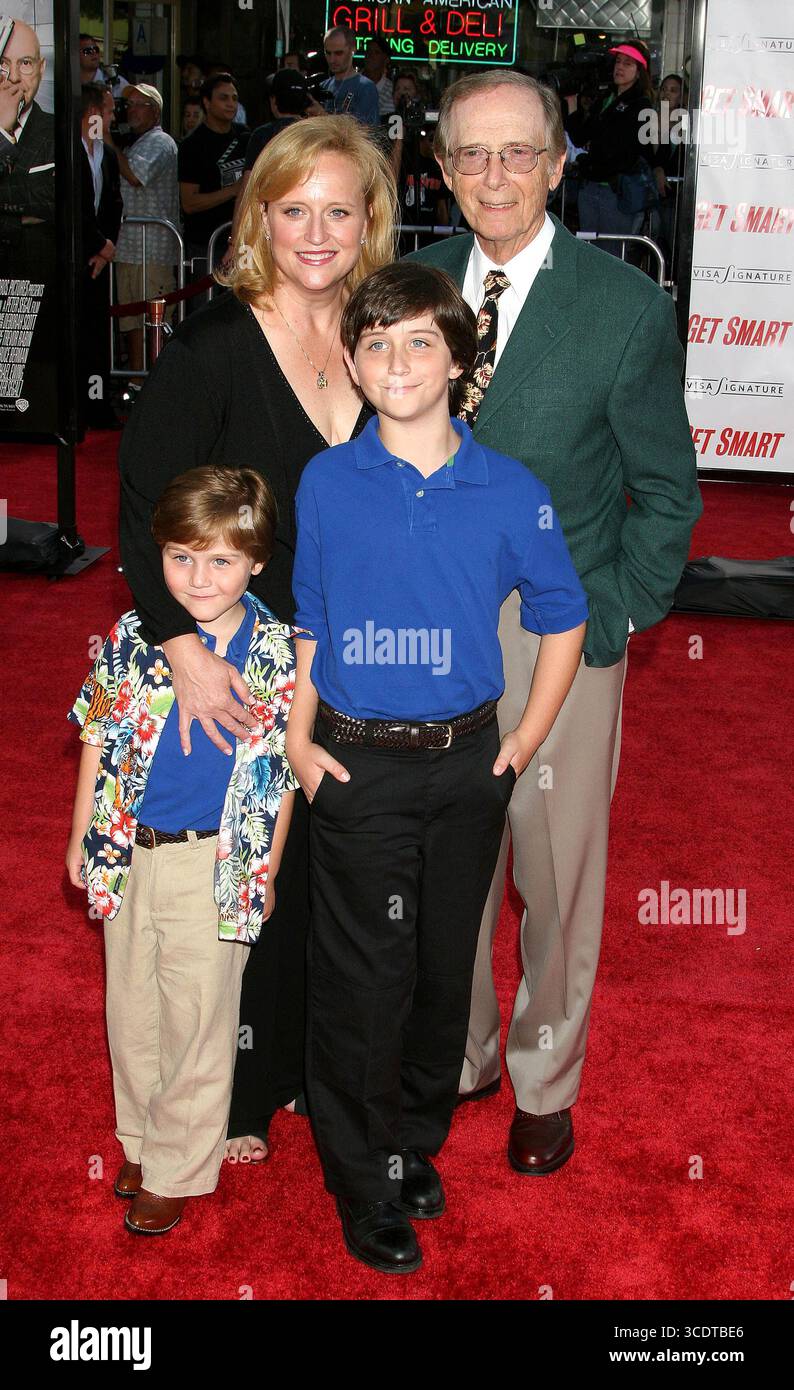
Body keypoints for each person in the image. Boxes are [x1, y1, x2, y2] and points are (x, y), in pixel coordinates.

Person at [409, 70, 701, 1175]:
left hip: (557, 632)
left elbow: (665, 490)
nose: (495, 176)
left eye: (518, 153)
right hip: (421, 635)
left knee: (554, 864)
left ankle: (542, 1073)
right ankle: (462, 1051)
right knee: (448, 860)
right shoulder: (407, 285)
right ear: (439, 167)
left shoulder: (619, 306)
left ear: (558, 161)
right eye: (471, 155)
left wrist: (614, 615)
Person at [288, 261, 588, 1273]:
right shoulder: (328, 478)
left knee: (434, 970)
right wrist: (297, 736)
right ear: (354, 365)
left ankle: (410, 1140)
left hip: (467, 766)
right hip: (357, 766)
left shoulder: (509, 489)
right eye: (374, 343)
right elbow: (311, 621)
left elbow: (562, 613)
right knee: (360, 979)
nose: (396, 359)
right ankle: (359, 1177)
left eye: (420, 339)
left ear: (459, 360)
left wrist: (524, 738)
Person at [118, 115, 397, 1166]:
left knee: (331, 866)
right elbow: (143, 499)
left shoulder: (380, 338)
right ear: (260, 217)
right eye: (294, 211)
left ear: (368, 218)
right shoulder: (212, 345)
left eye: (339, 209)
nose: (316, 232)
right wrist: (178, 646)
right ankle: (232, 1090)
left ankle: (298, 1071)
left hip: (354, 658)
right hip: (233, 664)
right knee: (240, 878)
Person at [66, 466, 298, 1235]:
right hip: (128, 851)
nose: (199, 578)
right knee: (131, 1008)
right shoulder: (135, 636)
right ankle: (138, 1140)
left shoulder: (278, 653)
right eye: (180, 557)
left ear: (257, 561)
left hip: (215, 861)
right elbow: (98, 734)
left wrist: (264, 868)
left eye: (222, 560)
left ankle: (177, 1166)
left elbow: (282, 776)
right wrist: (81, 834)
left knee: (201, 1017)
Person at [113, 83, 179, 404]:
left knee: (155, 320)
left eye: (139, 104)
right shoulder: (137, 142)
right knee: (130, 319)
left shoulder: (160, 142)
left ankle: (158, 388)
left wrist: (108, 144)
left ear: (155, 110)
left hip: (153, 246)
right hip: (129, 245)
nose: (131, 110)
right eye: (129, 105)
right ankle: (138, 383)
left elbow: (135, 175)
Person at [576, 40, 657, 253]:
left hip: (616, 192)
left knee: (612, 255)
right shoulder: (605, 97)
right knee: (589, 253)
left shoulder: (641, 104)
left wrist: (594, 163)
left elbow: (630, 151)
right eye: (618, 62)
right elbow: (583, 135)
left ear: (640, 72)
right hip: (591, 186)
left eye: (628, 64)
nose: (619, 67)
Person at [178, 72, 248, 284]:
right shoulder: (193, 145)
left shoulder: (246, 136)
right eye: (223, 98)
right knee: (204, 307)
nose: (231, 104)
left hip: (242, 241)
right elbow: (189, 203)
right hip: (205, 243)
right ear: (207, 102)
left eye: (235, 98)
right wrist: (234, 190)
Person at [80, 83, 123, 427]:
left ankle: (96, 407)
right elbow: (71, 207)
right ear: (92, 113)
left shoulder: (107, 155)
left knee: (97, 337)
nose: (111, 117)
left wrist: (107, 248)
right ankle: (74, 408)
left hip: (100, 257)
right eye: (108, 111)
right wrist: (98, 244)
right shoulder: (63, 151)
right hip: (74, 257)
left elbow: (113, 203)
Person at [321, 26, 379, 127]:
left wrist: (321, 114)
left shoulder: (366, 88)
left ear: (353, 49)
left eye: (338, 53)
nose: (332, 59)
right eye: (328, 53)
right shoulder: (323, 86)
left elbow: (363, 133)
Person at [362, 35, 394, 118]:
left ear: (386, 59)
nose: (370, 55)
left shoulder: (391, 90)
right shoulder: (352, 83)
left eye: (376, 52)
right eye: (368, 51)